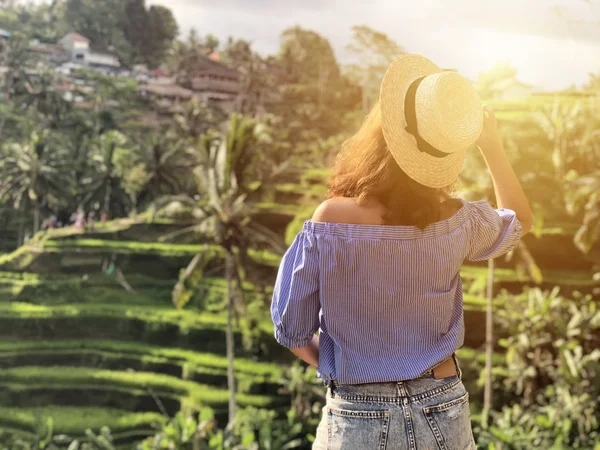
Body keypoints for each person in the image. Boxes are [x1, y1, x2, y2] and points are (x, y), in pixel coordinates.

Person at [270, 54, 533, 450]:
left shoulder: (330, 221)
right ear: (443, 156)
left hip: (356, 411)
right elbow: (519, 220)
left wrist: (339, 365)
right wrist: (491, 145)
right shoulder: (456, 221)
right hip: (442, 405)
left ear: (380, 136)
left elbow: (291, 328)